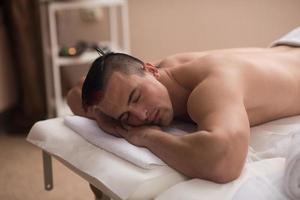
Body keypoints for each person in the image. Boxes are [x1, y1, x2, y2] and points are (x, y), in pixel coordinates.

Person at [67, 27, 300, 184]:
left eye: (135, 97)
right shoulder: (162, 70)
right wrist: (109, 118)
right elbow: (76, 92)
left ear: (150, 70)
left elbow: (224, 160)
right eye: (126, 116)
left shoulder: (212, 86)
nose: (140, 115)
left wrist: (148, 137)